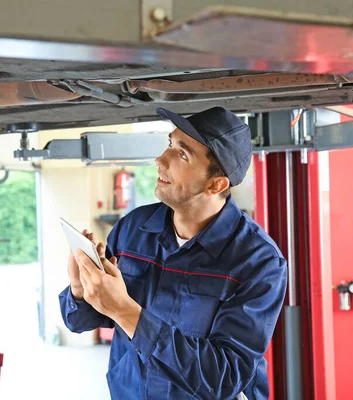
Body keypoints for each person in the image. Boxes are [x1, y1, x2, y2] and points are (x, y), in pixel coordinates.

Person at [58, 106, 287, 400]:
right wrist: (80, 290)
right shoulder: (133, 229)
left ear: (215, 184)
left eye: (182, 154)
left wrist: (126, 312)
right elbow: (80, 321)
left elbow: (224, 377)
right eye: (170, 143)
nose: (160, 160)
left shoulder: (258, 262)